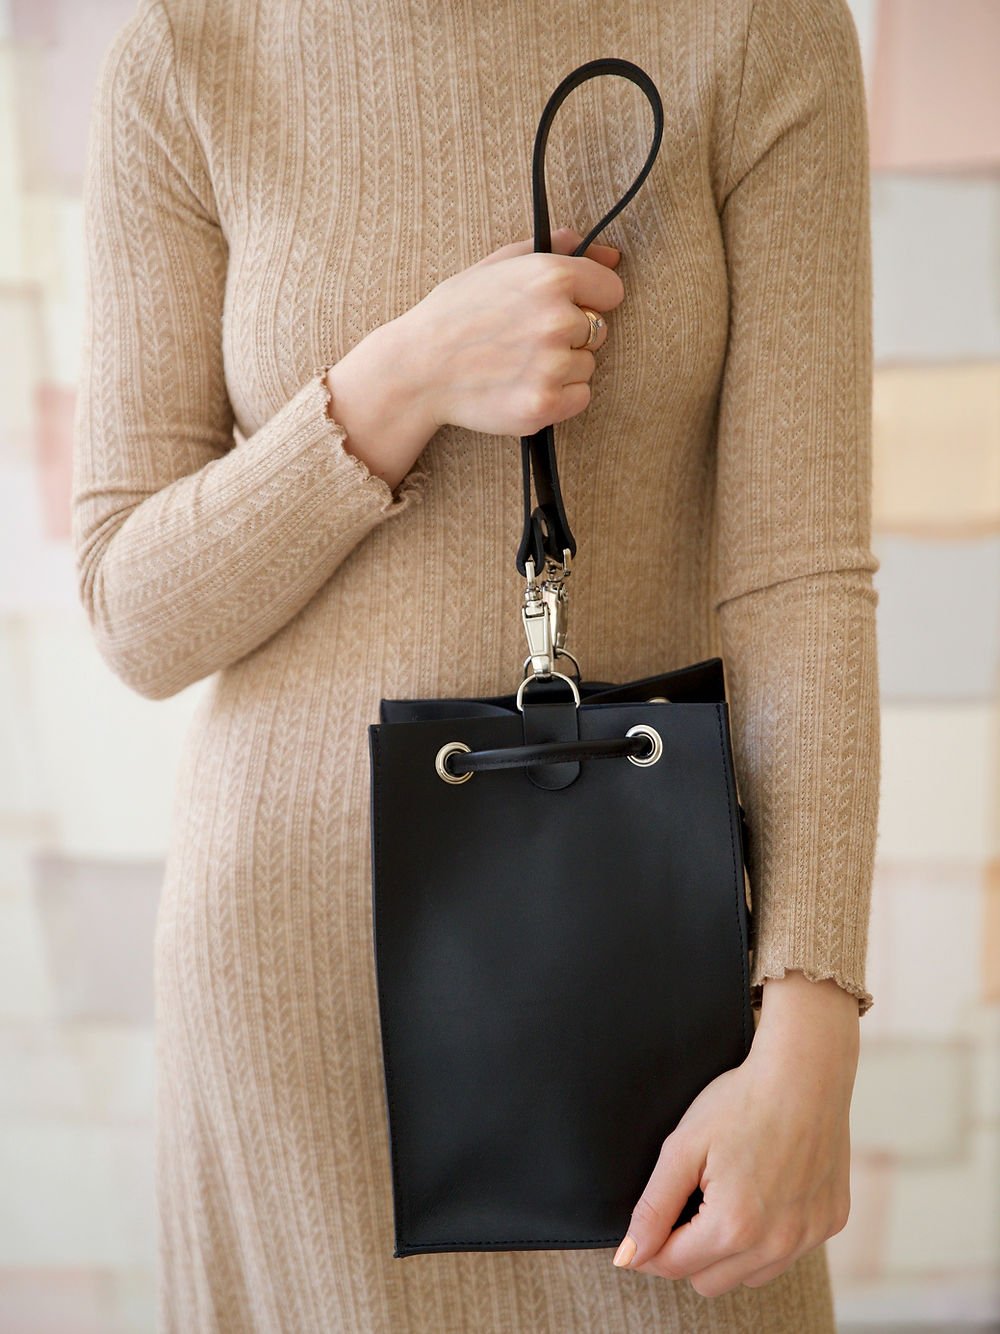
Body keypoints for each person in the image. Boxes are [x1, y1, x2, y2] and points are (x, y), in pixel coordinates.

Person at [72, 0, 881, 1328]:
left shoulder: (754, 30)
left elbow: (802, 576)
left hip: (648, 1010)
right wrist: (401, 378)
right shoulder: (187, 52)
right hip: (296, 1016)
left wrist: (812, 1026)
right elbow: (131, 608)